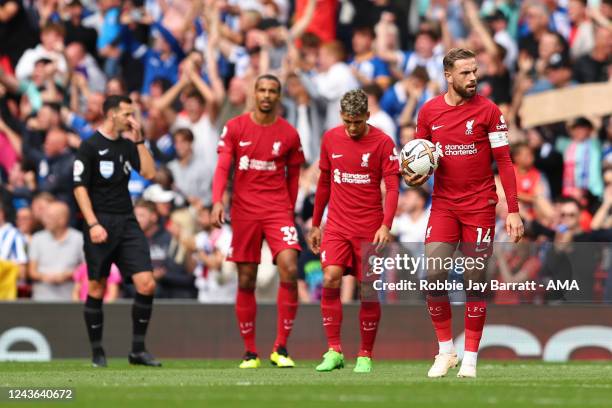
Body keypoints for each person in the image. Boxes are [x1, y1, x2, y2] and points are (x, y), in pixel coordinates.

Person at [404, 48, 523, 378]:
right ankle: (446, 351)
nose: (473, 78)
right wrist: (413, 176)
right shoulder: (429, 112)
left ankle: (470, 358)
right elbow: (419, 157)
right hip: (443, 204)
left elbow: (505, 162)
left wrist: (512, 210)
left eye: (475, 72)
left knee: (473, 280)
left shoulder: (489, 111)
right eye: (466, 73)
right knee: (434, 275)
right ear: (448, 75)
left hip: (480, 207)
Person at [211, 74, 305, 369]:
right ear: (254, 94)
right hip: (245, 211)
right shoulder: (236, 127)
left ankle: (281, 348)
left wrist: (288, 210)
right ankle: (250, 352)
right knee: (247, 278)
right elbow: (223, 166)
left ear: (279, 96)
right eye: (261, 90)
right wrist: (217, 200)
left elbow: (294, 177)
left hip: (277, 210)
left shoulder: (289, 134)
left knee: (289, 266)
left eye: (272, 91)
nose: (266, 95)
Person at [308, 89, 400, 373]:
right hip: (336, 225)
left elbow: (394, 187)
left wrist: (386, 224)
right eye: (347, 121)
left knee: (367, 290)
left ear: (367, 117)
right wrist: (315, 223)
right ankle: (334, 350)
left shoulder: (383, 143)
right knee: (331, 277)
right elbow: (324, 182)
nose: (351, 127)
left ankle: (365, 354)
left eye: (357, 122)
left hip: (369, 228)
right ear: (341, 116)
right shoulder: (331, 138)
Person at [73, 95, 159, 368]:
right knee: (97, 286)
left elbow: (149, 173)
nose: (131, 118)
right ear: (111, 114)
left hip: (127, 221)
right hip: (100, 222)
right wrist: (93, 224)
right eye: (127, 114)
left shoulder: (127, 144)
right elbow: (79, 187)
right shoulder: (89, 146)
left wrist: (140, 139)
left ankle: (137, 350)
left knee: (147, 283)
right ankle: (97, 352)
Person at [28, 201, 83, 301]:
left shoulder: (79, 239)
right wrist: (45, 277)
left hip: (71, 299)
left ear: (62, 220)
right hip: (40, 300)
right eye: (45, 216)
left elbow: (86, 269)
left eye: (49, 217)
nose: (45, 220)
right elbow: (32, 271)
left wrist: (68, 275)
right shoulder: (37, 238)